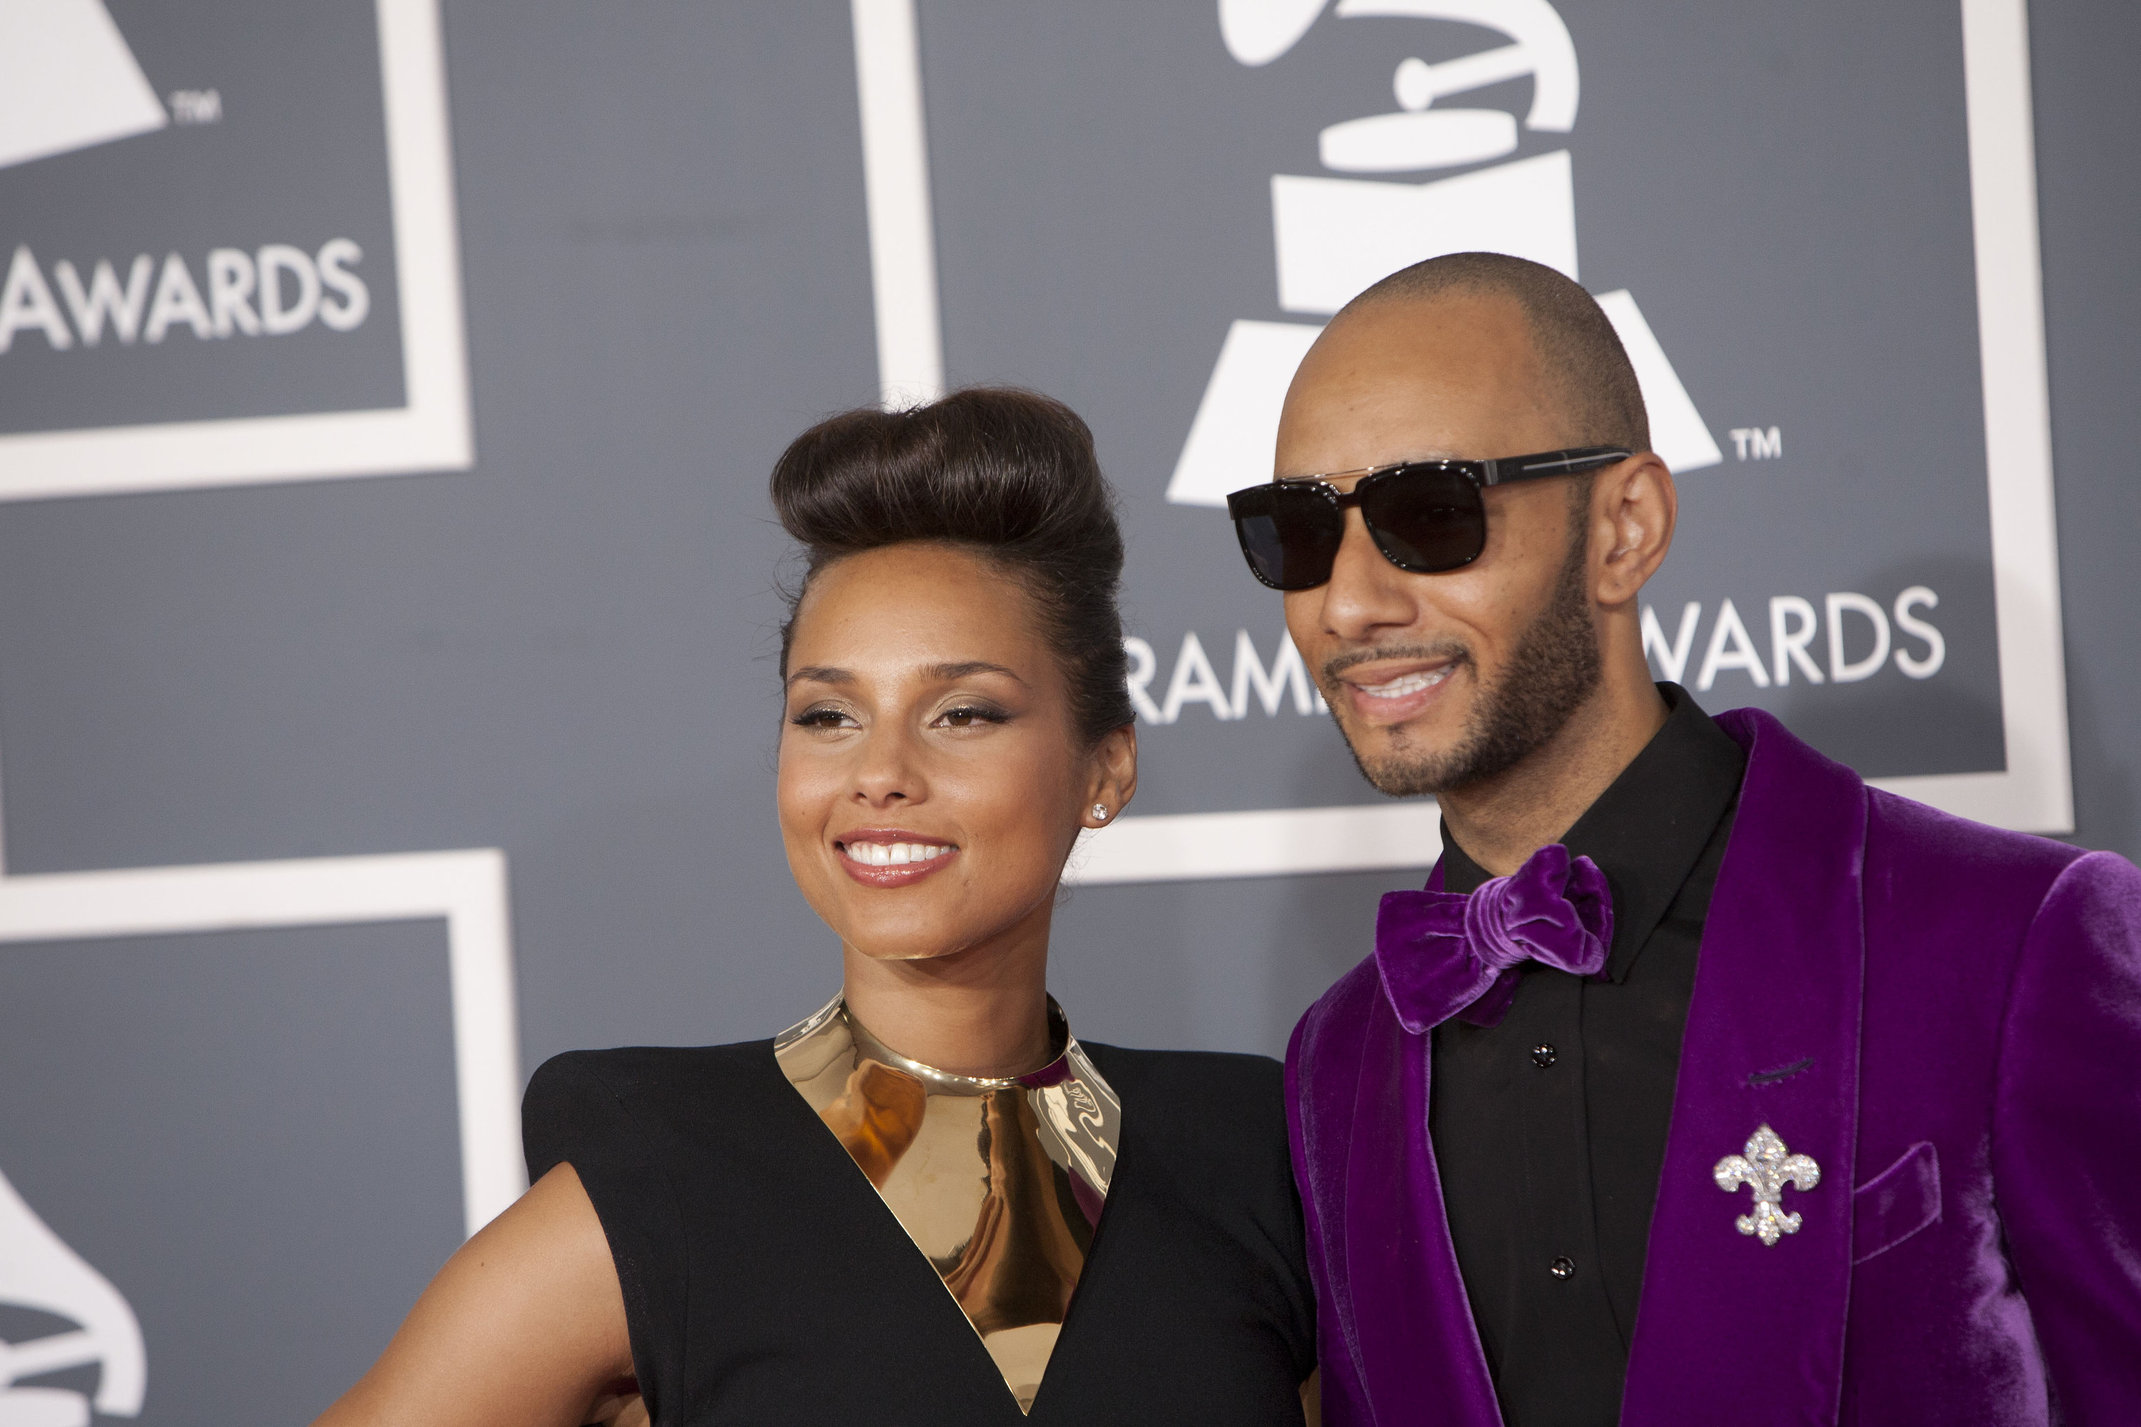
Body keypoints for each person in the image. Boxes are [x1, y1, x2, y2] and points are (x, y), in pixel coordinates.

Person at [1222, 251, 2141, 1425]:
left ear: (1624, 528)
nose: (1348, 603)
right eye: (1296, 532)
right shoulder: (1335, 1060)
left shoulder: (2012, 938)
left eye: (1428, 515)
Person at [314, 389, 1317, 1427]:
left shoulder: (1251, 1156)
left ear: (1104, 769)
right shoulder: (664, 1180)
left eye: (962, 711)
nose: (879, 771)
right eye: (827, 714)